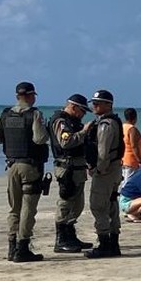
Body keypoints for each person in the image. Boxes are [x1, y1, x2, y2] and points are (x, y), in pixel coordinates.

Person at [0, 80, 49, 262]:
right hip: (29, 166)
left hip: (11, 165)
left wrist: (8, 142)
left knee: (14, 208)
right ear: (31, 96)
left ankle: (11, 247)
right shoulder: (34, 114)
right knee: (28, 208)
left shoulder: (5, 114)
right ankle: (23, 247)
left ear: (16, 96)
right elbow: (40, 139)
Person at [48, 93, 95, 253]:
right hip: (66, 167)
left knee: (78, 204)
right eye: (81, 111)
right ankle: (61, 239)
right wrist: (84, 131)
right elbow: (66, 142)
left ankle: (71, 235)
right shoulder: (60, 121)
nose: (82, 115)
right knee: (66, 202)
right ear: (73, 107)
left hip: (77, 167)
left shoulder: (73, 122)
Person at [83, 89, 124, 258]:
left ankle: (105, 244)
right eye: (93, 102)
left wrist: (98, 169)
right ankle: (113, 243)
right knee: (112, 203)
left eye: (98, 103)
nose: (94, 105)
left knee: (98, 205)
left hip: (106, 170)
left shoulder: (105, 124)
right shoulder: (112, 121)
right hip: (115, 168)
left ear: (108, 105)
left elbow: (103, 151)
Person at [121, 108, 141, 184]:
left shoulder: (122, 127)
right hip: (131, 160)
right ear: (135, 117)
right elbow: (134, 145)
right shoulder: (132, 129)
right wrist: (139, 160)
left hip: (123, 158)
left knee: (124, 181)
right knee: (129, 182)